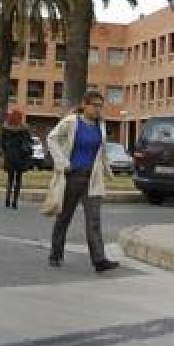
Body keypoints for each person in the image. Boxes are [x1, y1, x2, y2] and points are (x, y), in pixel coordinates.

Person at [45, 91, 119, 272]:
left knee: (94, 219)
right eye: (94, 105)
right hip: (73, 176)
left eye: (100, 106)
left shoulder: (100, 125)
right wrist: (62, 162)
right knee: (64, 217)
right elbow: (52, 138)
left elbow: (101, 151)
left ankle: (99, 260)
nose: (97, 109)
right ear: (84, 105)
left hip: (93, 177)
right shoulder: (72, 121)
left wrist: (107, 168)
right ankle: (55, 254)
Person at [0, 108, 35, 209]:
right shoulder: (24, 128)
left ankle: (7, 200)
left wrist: (6, 151)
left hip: (10, 156)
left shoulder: (6, 128)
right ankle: (15, 202)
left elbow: (2, 142)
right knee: (18, 179)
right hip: (20, 156)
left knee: (10, 179)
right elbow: (29, 141)